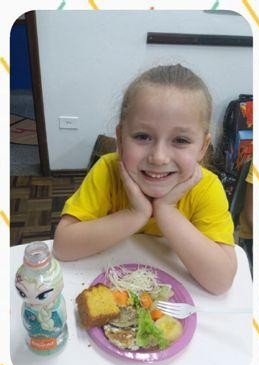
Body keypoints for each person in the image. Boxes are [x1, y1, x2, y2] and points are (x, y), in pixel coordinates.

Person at [53, 65, 236, 295]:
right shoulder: (107, 170)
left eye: (180, 140)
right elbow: (63, 247)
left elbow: (221, 282)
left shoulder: (207, 187)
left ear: (202, 147)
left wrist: (166, 211)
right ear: (120, 139)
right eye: (142, 136)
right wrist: (136, 214)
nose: (159, 157)